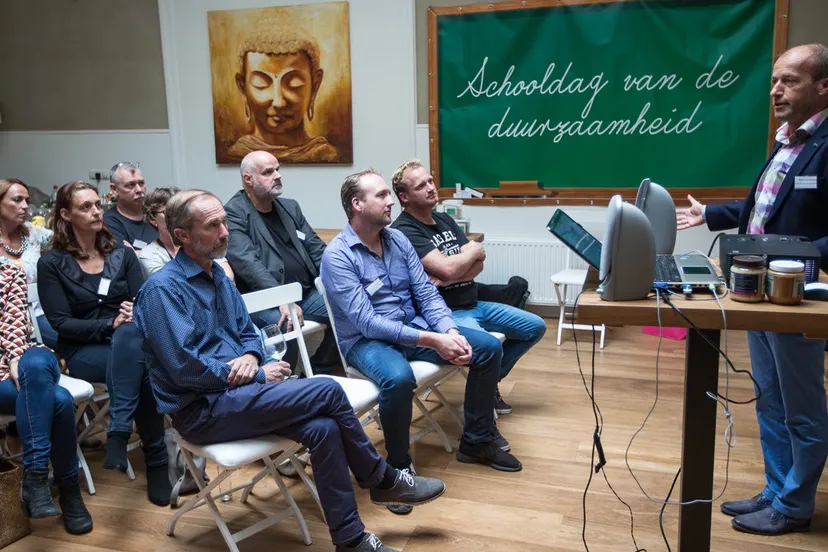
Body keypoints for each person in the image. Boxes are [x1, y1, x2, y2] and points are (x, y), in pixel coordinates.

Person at [134, 190, 446, 552]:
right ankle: (382, 478)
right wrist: (257, 373)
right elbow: (184, 368)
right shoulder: (162, 290)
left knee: (324, 428)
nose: (225, 232)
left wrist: (252, 356)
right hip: (201, 410)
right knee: (326, 391)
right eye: (213, 225)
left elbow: (248, 332)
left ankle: (351, 540)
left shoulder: (217, 274)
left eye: (223, 221)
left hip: (237, 396)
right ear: (182, 235)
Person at [676, 43, 828, 536]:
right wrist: (712, 214)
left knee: (802, 408)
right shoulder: (790, 140)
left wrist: (796, 254)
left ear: (823, 86)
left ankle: (794, 506)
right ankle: (778, 486)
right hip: (758, 291)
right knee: (769, 399)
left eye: (790, 81)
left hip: (796, 298)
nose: (776, 91)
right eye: (774, 81)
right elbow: (764, 204)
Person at [321, 169, 522, 513]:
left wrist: (451, 331)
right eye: (381, 195)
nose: (390, 201)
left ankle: (476, 440)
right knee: (399, 378)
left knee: (486, 347)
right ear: (357, 204)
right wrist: (433, 339)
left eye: (389, 193)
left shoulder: (397, 240)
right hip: (366, 341)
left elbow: (427, 294)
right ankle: (398, 473)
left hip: (412, 327)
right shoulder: (338, 256)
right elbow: (367, 323)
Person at [37, 181, 170, 506]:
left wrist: (132, 310)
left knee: (132, 340)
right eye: (86, 207)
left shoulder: (122, 253)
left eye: (98, 204)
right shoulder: (51, 264)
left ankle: (121, 430)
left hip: (129, 339)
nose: (97, 211)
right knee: (141, 366)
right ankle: (157, 460)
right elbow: (61, 324)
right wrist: (110, 322)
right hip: (84, 349)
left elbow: (143, 301)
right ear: (65, 215)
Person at [390, 159, 547, 414]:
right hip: (447, 315)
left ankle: (488, 383)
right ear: (404, 197)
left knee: (535, 327)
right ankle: (483, 396)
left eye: (430, 181)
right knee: (487, 347)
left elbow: (477, 266)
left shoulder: (444, 220)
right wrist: (467, 255)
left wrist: (455, 271)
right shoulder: (404, 230)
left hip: (474, 302)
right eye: (421, 186)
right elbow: (451, 267)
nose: (431, 187)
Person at [225, 150, 339, 370]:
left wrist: (344, 276)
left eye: (277, 169)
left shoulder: (290, 206)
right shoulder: (234, 213)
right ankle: (285, 386)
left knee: (349, 303)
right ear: (248, 179)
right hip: (265, 299)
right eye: (268, 172)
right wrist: (283, 299)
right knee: (286, 324)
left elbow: (316, 248)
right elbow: (248, 264)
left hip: (306, 293)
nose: (277, 175)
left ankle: (319, 369)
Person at [0, 263, 92, 535]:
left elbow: (15, 324)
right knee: (60, 400)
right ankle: (67, 490)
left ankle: (36, 475)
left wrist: (15, 358)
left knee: (38, 362)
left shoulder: (8, 272)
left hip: (25, 364)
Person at [227, 18, 340, 163]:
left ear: (315, 85)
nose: (278, 101)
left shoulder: (325, 155)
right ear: (242, 88)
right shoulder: (237, 155)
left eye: (294, 84)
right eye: (261, 84)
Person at [0, 178, 57, 349]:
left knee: (74, 338)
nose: (25, 206)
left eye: (27, 200)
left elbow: (68, 240)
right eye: (17, 200)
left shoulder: (33, 233)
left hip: (39, 313)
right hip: (6, 318)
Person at [138, 187, 234, 281]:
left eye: (179, 212)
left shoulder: (205, 247)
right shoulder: (151, 256)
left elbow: (228, 278)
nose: (225, 233)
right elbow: (173, 284)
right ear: (152, 218)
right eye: (167, 212)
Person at [103, 162, 158, 251]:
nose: (139, 190)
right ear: (114, 189)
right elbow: (127, 258)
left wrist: (138, 253)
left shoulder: (156, 213)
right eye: (131, 185)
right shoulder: (109, 222)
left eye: (141, 183)